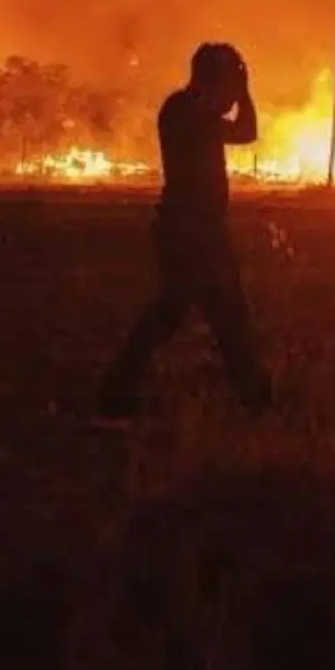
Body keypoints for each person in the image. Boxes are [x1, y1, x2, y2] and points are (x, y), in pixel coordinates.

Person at [96, 42, 273, 422]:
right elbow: (239, 127)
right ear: (211, 79)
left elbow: (246, 132)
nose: (231, 95)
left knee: (180, 313)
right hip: (190, 231)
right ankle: (254, 397)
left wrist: (242, 92)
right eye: (227, 82)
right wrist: (241, 91)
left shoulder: (194, 110)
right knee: (221, 314)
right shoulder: (184, 109)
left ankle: (117, 389)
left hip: (199, 229)